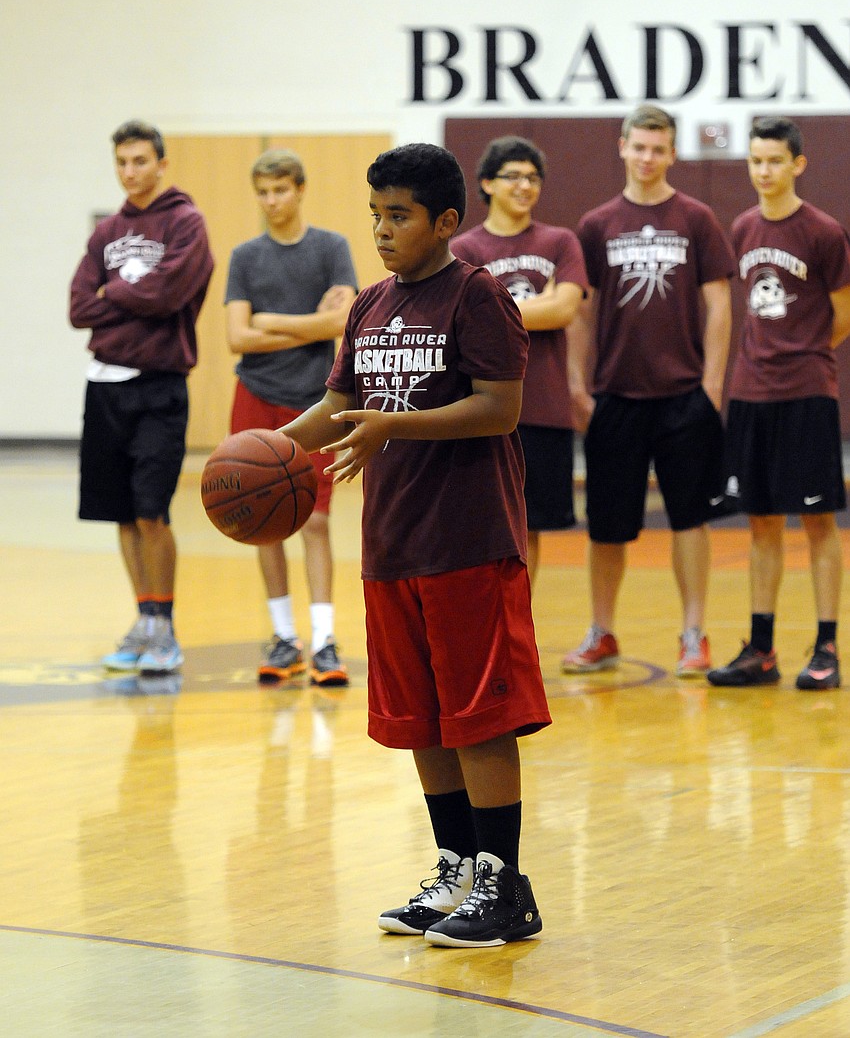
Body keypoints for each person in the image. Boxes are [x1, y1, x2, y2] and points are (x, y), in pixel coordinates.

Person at [280, 143, 551, 948]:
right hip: (393, 543)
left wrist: (392, 424)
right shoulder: (368, 305)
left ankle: (505, 887)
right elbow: (337, 405)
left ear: (445, 221)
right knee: (422, 719)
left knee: (479, 720)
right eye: (375, 215)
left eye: (398, 216)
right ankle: (457, 868)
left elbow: (500, 408)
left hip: (469, 539)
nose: (383, 230)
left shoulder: (479, 297)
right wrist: (265, 454)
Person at [564, 104, 736, 677]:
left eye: (658, 149)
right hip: (615, 395)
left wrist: (711, 385)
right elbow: (581, 313)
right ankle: (602, 631)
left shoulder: (696, 217)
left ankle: (693, 633)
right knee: (607, 526)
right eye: (639, 147)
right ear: (622, 146)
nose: (647, 158)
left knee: (689, 519)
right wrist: (576, 385)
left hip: (685, 394)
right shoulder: (596, 224)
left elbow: (718, 304)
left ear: (672, 153)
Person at [707, 117, 850, 691]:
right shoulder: (741, 227)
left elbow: (843, 311)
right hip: (751, 393)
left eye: (774, 161)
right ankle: (761, 650)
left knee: (817, 521)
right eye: (755, 160)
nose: (763, 171)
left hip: (807, 394)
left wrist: (806, 351)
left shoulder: (823, 231)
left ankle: (826, 647)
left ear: (797, 165)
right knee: (761, 522)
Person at [69, 120, 214, 675]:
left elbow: (168, 291)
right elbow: (78, 307)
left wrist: (114, 293)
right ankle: (142, 618)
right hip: (104, 385)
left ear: (160, 163)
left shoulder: (185, 221)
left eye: (139, 161)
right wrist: (125, 296)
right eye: (121, 163)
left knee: (152, 511)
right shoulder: (106, 231)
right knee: (123, 516)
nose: (130, 172)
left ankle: (166, 627)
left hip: (158, 385)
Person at [224, 149, 357, 687]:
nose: (272, 200)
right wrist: (315, 323)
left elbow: (344, 321)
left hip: (316, 398)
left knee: (317, 520)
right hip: (254, 394)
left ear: (300, 189)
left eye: (280, 189)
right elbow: (237, 336)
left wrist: (272, 320)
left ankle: (324, 639)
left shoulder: (331, 248)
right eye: (263, 191)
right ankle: (284, 637)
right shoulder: (245, 256)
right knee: (262, 520)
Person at [451, 136, 588, 584]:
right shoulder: (465, 250)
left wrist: (496, 309)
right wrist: (535, 309)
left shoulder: (560, 241)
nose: (524, 185)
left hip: (544, 409)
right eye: (513, 176)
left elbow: (565, 309)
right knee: (479, 530)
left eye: (533, 177)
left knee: (529, 535)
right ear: (487, 183)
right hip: (482, 411)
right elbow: (463, 324)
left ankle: (515, 636)